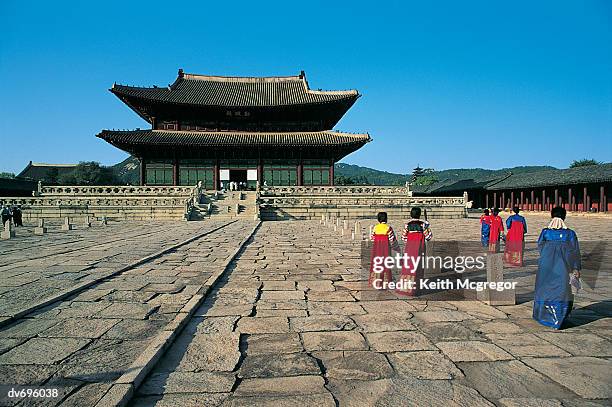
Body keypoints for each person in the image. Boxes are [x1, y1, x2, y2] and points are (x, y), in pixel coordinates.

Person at [533, 206, 581, 329]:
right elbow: (575, 251)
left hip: (546, 267)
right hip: (563, 268)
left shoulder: (546, 232)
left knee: (544, 289)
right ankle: (559, 318)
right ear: (564, 217)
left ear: (552, 216)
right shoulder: (570, 234)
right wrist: (576, 268)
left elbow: (540, 247)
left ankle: (544, 316)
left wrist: (548, 256)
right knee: (562, 290)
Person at [397, 207, 432, 296]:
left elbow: (404, 238)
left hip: (409, 248)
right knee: (418, 266)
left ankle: (406, 286)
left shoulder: (407, 225)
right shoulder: (422, 225)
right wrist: (427, 227)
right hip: (419, 248)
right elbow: (429, 237)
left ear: (411, 214)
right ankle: (416, 287)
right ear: (419, 215)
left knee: (408, 266)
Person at [369, 212, 400, 288]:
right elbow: (392, 239)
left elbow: (372, 238)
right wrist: (396, 248)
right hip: (385, 249)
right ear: (386, 219)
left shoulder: (375, 228)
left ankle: (376, 280)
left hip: (377, 249)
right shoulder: (388, 228)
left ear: (378, 219)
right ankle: (386, 281)